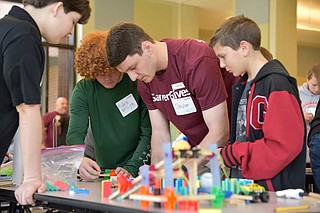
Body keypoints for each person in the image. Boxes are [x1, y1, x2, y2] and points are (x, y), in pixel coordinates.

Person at [106, 23, 234, 169]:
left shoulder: (196, 59)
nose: (133, 78)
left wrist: (185, 168)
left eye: (133, 67)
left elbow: (220, 131)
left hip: (231, 151)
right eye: (126, 72)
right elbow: (160, 135)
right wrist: (156, 175)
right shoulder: (145, 80)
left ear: (147, 47)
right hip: (200, 151)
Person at [0, 0, 90, 205]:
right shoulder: (24, 36)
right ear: (57, 8)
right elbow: (27, 108)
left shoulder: (6, 27)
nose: (70, 31)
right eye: (73, 21)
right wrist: (32, 178)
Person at [210, 15, 306, 191]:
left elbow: (283, 146)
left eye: (223, 56)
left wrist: (232, 153)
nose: (222, 65)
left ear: (244, 48)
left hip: (274, 193)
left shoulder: (277, 83)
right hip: (246, 188)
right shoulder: (242, 86)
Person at [66, 31, 151, 181]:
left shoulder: (137, 82)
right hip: (102, 172)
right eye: (99, 72)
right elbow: (75, 133)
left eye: (111, 70)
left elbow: (148, 133)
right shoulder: (84, 90)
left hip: (140, 171)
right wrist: (80, 159)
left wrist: (132, 166)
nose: (106, 77)